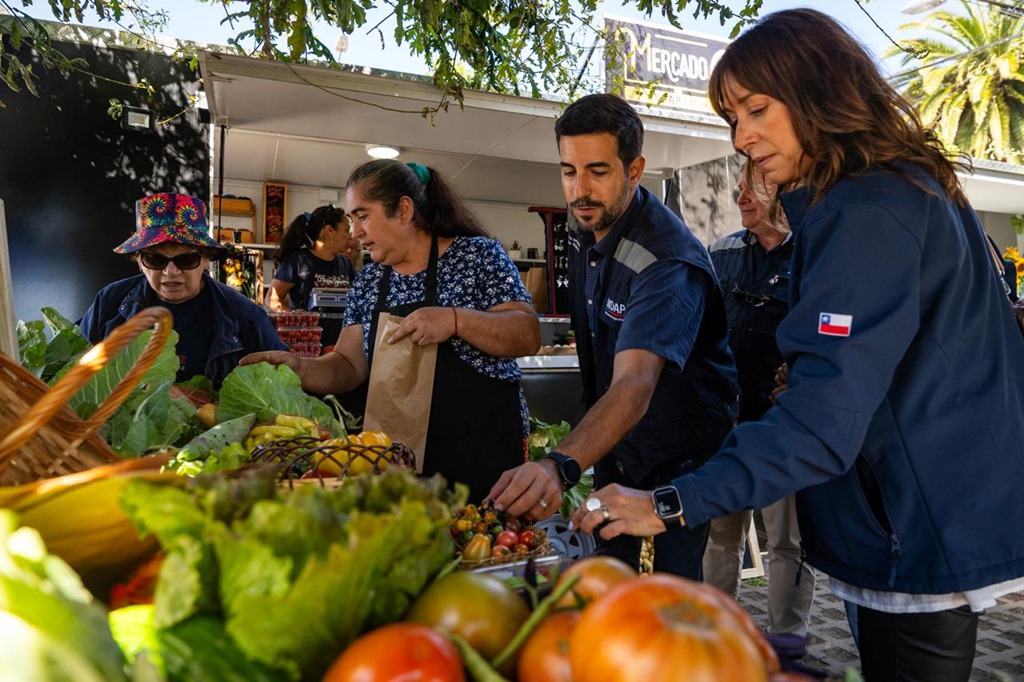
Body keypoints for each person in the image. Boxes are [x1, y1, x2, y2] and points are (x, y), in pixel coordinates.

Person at [570, 10, 1024, 682]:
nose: (742, 137)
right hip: (917, 511)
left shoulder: (870, 208)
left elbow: (821, 421)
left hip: (913, 526)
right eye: (732, 117)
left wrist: (670, 502)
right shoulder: (888, 190)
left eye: (757, 109)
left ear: (820, 90)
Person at [488, 93, 740, 579]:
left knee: (667, 597)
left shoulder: (667, 261)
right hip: (619, 449)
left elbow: (634, 385)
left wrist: (559, 465)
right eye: (568, 171)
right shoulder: (589, 227)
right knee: (609, 580)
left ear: (635, 168)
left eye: (598, 171)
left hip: (679, 459)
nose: (579, 190)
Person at [241, 160, 540, 501]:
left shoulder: (477, 255)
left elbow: (527, 334)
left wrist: (455, 320)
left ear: (404, 210)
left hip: (484, 453)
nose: (354, 233)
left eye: (363, 216)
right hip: (403, 460)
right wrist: (298, 367)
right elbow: (348, 366)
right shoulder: (369, 281)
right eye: (351, 220)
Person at [703, 159, 815, 642]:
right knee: (720, 536)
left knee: (788, 542)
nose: (741, 198)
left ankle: (787, 642)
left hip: (783, 427)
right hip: (726, 422)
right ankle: (714, 635)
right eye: (739, 189)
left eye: (754, 188)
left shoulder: (813, 253)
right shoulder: (720, 253)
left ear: (783, 193)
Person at [78, 192, 286, 386]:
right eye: (155, 259)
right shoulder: (109, 303)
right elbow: (70, 367)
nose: (171, 272)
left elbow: (281, 382)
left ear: (206, 260)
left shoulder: (245, 315)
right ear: (139, 262)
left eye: (186, 259)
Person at [266, 204, 357, 311]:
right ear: (329, 231)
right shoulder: (296, 261)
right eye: (346, 230)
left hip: (342, 328)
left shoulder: (345, 263)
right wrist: (294, 317)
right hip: (306, 327)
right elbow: (272, 298)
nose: (351, 236)